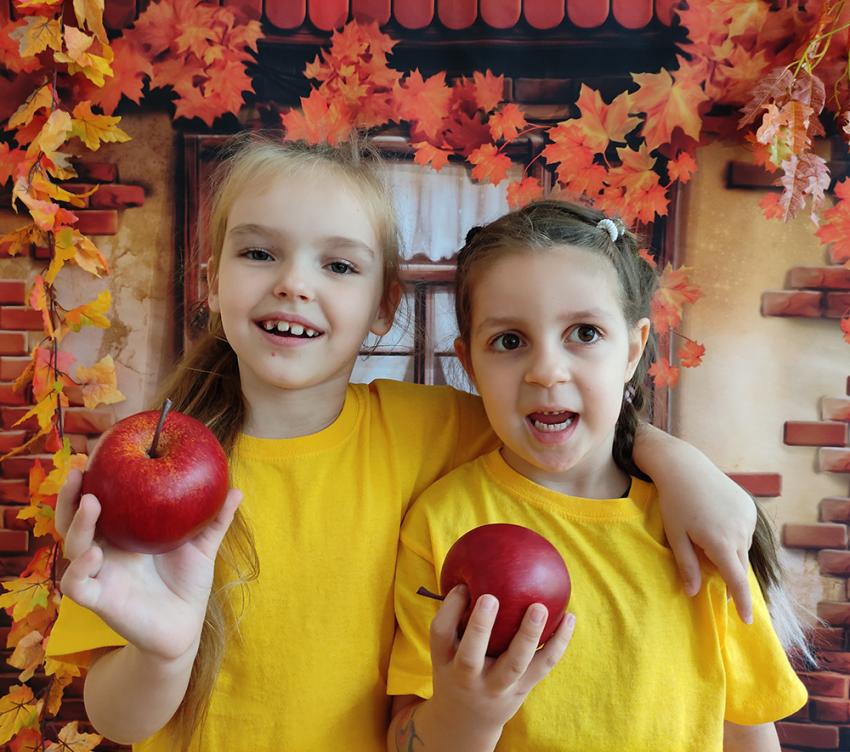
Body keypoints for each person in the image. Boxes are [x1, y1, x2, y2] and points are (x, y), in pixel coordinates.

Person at [48, 135, 760, 752]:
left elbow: (564, 422)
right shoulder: (141, 468)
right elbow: (114, 718)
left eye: (339, 266)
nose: (294, 284)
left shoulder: (430, 427)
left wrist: (682, 467)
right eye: (260, 252)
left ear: (384, 305)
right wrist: (164, 655)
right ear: (212, 281)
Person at [386, 201, 809, 752]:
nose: (546, 371)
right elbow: (405, 734)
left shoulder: (697, 527)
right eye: (509, 341)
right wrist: (464, 715)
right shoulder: (442, 523)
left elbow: (747, 727)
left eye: (584, 333)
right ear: (470, 365)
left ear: (632, 350)